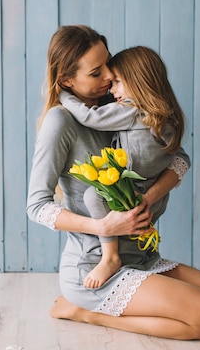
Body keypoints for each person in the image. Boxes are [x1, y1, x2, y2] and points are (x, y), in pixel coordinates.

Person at [26, 25, 200, 340]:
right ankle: (87, 312)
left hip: (141, 257)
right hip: (95, 267)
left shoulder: (122, 106)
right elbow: (37, 206)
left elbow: (178, 158)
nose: (108, 78)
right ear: (67, 81)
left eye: (108, 65)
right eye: (96, 72)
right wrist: (103, 227)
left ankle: (108, 299)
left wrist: (150, 196)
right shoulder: (62, 122)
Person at [58, 46, 191, 289]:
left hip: (134, 189)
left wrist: (64, 95)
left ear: (139, 82)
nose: (112, 88)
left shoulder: (131, 109)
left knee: (92, 196)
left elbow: (91, 117)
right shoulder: (163, 113)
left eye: (118, 81)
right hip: (155, 195)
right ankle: (135, 261)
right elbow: (180, 157)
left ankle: (110, 257)